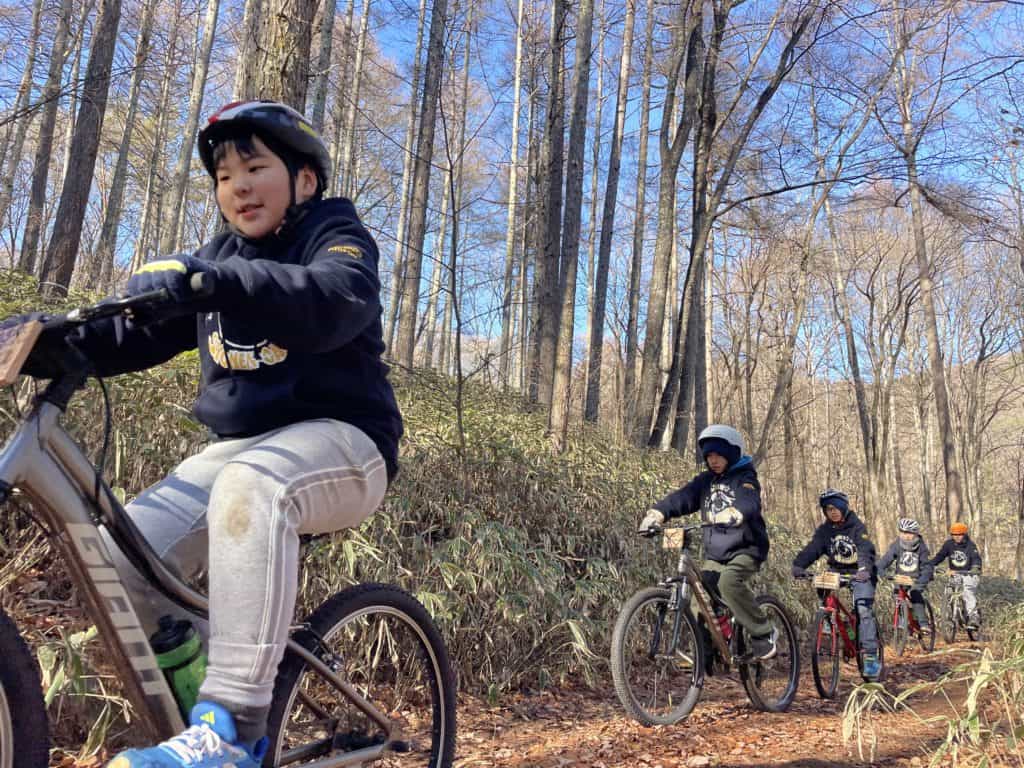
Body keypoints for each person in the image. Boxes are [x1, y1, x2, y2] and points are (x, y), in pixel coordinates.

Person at [22, 100, 402, 767]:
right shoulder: (217, 256)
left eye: (255, 168)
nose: (239, 188)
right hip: (240, 449)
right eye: (225, 177)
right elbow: (130, 334)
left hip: (347, 441)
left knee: (251, 484)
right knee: (121, 555)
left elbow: (335, 299)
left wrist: (216, 282)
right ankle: (201, 716)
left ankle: (233, 730)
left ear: (304, 179)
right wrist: (44, 342)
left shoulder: (335, 232)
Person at [638, 425, 775, 661]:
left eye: (719, 455)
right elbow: (683, 497)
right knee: (698, 597)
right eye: (709, 456)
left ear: (731, 454)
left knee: (729, 583)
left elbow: (749, 500)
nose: (713, 460)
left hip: (746, 549)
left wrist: (736, 512)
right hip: (716, 554)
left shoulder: (745, 477)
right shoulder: (705, 481)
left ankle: (763, 633)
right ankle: (706, 652)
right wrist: (657, 514)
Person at [791, 489, 881, 679]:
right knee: (823, 583)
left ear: (843, 508)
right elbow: (813, 548)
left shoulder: (857, 526)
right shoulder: (825, 531)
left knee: (863, 609)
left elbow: (865, 549)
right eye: (828, 509)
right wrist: (799, 565)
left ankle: (871, 656)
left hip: (861, 572)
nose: (832, 512)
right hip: (837, 570)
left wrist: (864, 568)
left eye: (835, 508)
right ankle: (829, 621)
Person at [877, 518, 934, 631]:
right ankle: (902, 625)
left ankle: (923, 623)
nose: (906, 536)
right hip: (900, 578)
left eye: (909, 533)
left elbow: (927, 567)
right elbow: (886, 559)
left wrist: (922, 580)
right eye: (903, 532)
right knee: (898, 597)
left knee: (915, 594)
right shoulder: (896, 545)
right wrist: (880, 570)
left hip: (916, 578)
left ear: (915, 533)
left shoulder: (922, 547)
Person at [930, 521, 983, 629]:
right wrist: (930, 564)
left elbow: (976, 558)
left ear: (964, 534)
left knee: (967, 592)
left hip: (969, 574)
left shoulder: (970, 545)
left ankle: (973, 616)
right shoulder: (948, 544)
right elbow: (940, 556)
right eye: (954, 535)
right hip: (955, 574)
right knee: (948, 591)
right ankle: (947, 616)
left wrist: (975, 568)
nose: (957, 537)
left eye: (959, 535)